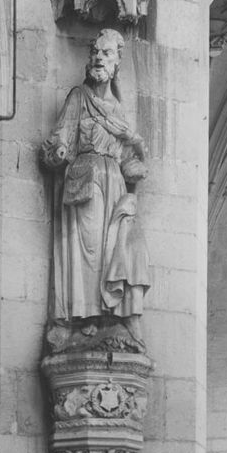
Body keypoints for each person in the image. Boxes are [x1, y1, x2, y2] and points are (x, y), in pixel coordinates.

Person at [41, 29, 150, 353]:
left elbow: (131, 161)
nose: (99, 58)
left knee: (115, 251)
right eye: (96, 53)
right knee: (86, 251)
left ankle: (110, 317)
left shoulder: (118, 109)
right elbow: (60, 137)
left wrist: (136, 157)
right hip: (86, 181)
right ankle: (83, 317)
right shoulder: (79, 97)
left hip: (114, 184)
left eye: (106, 54)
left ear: (116, 64)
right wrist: (58, 150)